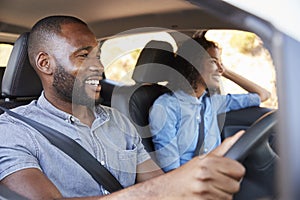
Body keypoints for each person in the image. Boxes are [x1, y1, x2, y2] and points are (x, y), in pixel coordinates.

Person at [0, 15, 245, 200]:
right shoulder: (13, 131)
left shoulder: (119, 120)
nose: (98, 66)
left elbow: (159, 182)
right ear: (45, 64)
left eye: (98, 56)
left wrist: (198, 173)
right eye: (84, 56)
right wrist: (166, 188)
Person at [149, 32, 271, 172]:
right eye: (213, 61)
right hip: (189, 182)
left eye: (221, 63)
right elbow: (172, 172)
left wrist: (224, 71)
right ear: (193, 63)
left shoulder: (214, 102)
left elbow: (263, 95)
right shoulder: (165, 107)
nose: (220, 69)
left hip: (217, 172)